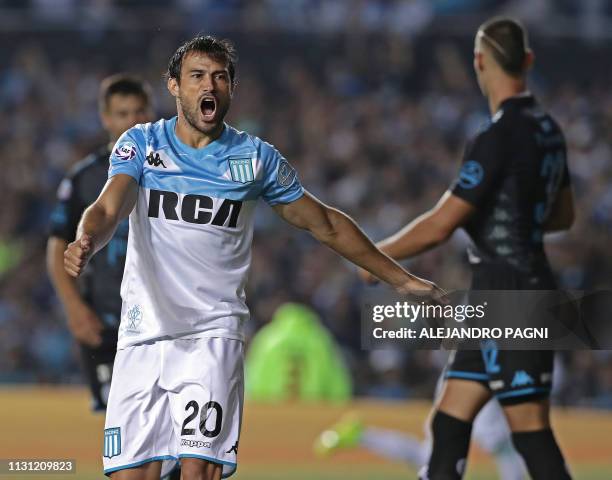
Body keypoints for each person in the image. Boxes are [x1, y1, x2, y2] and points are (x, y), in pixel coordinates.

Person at [63, 35, 444, 480]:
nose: (210, 86)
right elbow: (110, 207)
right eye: (198, 76)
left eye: (220, 77)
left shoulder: (254, 158)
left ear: (231, 88)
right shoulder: (143, 143)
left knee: (198, 472)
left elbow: (324, 222)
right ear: (174, 86)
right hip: (142, 335)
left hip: (210, 336)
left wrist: (401, 280)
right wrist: (87, 237)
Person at [359, 17, 574, 480]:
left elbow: (440, 225)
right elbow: (563, 215)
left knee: (530, 432)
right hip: (501, 291)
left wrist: (375, 256)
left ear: (479, 63)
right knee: (450, 420)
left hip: (512, 295)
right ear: (528, 62)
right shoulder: (548, 131)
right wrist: (513, 214)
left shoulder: (495, 138)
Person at [47, 74, 153, 411]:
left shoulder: (173, 170)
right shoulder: (85, 177)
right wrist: (75, 308)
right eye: (122, 114)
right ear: (106, 118)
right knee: (114, 419)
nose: (132, 121)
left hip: (159, 317)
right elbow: (57, 247)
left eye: (139, 112)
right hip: (105, 320)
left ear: (151, 114)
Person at [245, 302, 352, 403]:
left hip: (270, 416)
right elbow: (339, 388)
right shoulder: (320, 339)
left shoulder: (267, 338)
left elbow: (251, 380)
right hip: (314, 416)